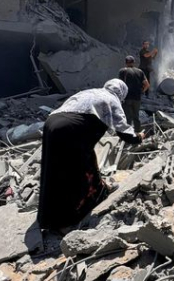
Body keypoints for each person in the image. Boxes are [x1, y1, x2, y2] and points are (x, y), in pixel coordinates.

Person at [38, 79, 143, 232]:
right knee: (75, 172)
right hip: (70, 129)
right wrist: (138, 137)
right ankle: (66, 221)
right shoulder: (112, 100)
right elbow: (123, 131)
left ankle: (50, 217)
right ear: (122, 93)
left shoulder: (91, 92)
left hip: (51, 124)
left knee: (55, 170)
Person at [118, 55, 149, 132]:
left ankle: (128, 137)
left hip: (127, 98)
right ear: (134, 62)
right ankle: (137, 135)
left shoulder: (122, 71)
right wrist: (142, 91)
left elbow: (120, 84)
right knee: (136, 117)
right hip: (137, 98)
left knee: (128, 117)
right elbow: (147, 84)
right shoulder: (140, 72)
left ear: (126, 63)